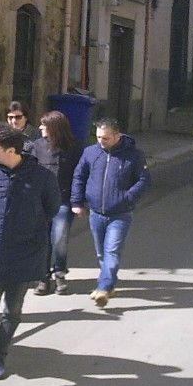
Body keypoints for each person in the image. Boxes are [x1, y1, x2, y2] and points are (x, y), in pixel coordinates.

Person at [0, 123, 60, 386]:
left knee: (13, 311)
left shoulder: (42, 177)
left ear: (11, 151)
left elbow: (51, 208)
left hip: (24, 253)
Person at [70, 118, 151, 308]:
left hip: (121, 214)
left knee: (112, 251)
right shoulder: (90, 153)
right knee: (101, 253)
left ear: (117, 136)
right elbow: (79, 176)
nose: (101, 141)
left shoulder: (133, 155)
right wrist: (77, 202)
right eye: (98, 137)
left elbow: (143, 180)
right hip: (96, 213)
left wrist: (127, 197)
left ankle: (103, 288)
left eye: (105, 138)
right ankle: (110, 284)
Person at [27, 111, 84, 296]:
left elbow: (79, 176)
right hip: (41, 201)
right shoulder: (37, 146)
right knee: (43, 240)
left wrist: (78, 201)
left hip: (64, 200)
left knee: (59, 238)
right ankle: (43, 277)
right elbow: (30, 172)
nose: (41, 128)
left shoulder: (74, 147)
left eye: (44, 125)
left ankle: (59, 273)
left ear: (55, 127)